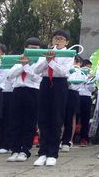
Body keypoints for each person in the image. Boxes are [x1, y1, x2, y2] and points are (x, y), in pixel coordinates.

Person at [32, 30, 75, 167]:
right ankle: (42, 152)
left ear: (67, 42)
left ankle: (52, 153)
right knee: (43, 118)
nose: (58, 41)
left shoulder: (69, 54)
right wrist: (46, 60)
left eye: (61, 39)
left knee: (56, 118)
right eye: (56, 38)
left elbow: (63, 71)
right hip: (45, 83)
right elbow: (36, 70)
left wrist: (51, 62)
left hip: (60, 84)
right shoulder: (46, 52)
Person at [7, 37, 43, 162]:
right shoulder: (19, 60)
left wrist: (26, 66)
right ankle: (15, 149)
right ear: (25, 48)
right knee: (16, 121)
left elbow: (36, 77)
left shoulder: (40, 61)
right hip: (17, 91)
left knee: (29, 122)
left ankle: (25, 150)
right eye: (30, 48)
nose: (33, 51)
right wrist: (23, 65)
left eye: (36, 49)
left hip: (33, 92)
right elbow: (10, 75)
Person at [60, 55, 83, 152]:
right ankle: (57, 139)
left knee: (70, 118)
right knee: (59, 116)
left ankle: (67, 140)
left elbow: (79, 83)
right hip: (62, 92)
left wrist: (69, 82)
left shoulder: (79, 71)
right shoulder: (64, 68)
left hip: (72, 93)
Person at [78, 59, 95, 147]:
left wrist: (90, 81)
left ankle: (83, 138)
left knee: (85, 119)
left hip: (87, 97)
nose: (88, 69)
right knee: (75, 117)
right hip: (78, 96)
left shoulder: (90, 76)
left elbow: (92, 89)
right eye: (87, 67)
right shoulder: (78, 73)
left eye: (90, 68)